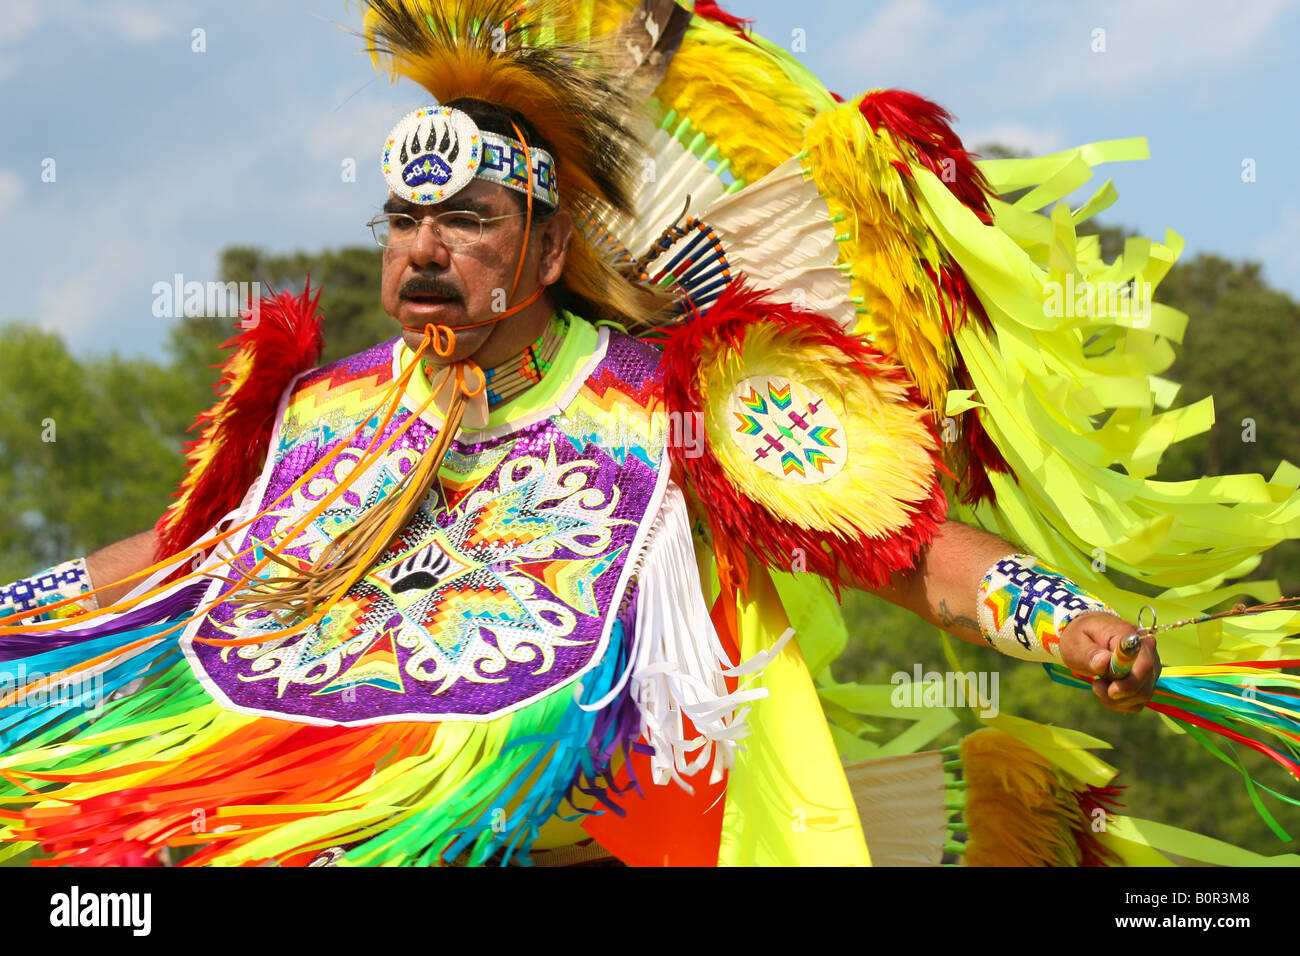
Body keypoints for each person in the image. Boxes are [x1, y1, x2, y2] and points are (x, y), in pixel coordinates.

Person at [1, 0, 1294, 868]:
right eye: (404, 223)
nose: (425, 254)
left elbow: (914, 554)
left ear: (553, 247)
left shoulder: (679, 405)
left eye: (466, 224)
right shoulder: (337, 412)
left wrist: (1068, 625)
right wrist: (19, 615)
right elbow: (192, 560)